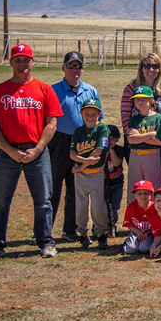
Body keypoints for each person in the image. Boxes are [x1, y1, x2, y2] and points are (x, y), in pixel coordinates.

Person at [0, 44, 63, 260]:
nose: (22, 64)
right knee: (1, 201)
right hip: (7, 153)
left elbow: (51, 123)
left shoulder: (45, 90)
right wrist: (9, 150)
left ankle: (45, 242)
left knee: (43, 201)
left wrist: (37, 149)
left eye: (26, 60)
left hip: (37, 152)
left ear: (32, 62)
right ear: (10, 63)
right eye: (17, 60)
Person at [49, 51, 102, 242]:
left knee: (75, 190)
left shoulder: (90, 91)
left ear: (83, 68)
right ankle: (44, 231)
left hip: (83, 144)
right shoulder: (53, 90)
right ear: (63, 67)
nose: (74, 70)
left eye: (78, 66)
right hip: (59, 143)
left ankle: (70, 229)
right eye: (70, 65)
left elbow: (99, 119)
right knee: (52, 189)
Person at [69, 98, 110, 250]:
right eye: (87, 113)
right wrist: (82, 163)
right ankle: (82, 234)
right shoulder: (78, 131)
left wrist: (80, 165)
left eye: (94, 113)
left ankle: (101, 234)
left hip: (96, 173)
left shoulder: (102, 128)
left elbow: (98, 153)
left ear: (99, 114)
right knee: (81, 205)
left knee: (98, 205)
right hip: (81, 174)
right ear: (81, 113)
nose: (90, 116)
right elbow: (72, 154)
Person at [125, 85, 161, 198]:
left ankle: (153, 214)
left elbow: (160, 141)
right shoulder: (133, 119)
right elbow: (130, 140)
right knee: (134, 190)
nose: (140, 102)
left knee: (153, 189)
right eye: (137, 99)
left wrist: (139, 137)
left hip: (152, 156)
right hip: (135, 156)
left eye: (143, 99)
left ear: (151, 100)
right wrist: (150, 135)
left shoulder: (159, 118)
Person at [120, 52, 161, 132]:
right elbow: (125, 116)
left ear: (160, 69)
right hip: (134, 136)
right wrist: (134, 133)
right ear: (141, 69)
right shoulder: (130, 89)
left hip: (157, 137)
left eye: (155, 66)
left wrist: (158, 134)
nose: (151, 69)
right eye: (147, 66)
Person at [122, 180, 157, 255]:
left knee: (143, 249)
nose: (143, 196)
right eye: (139, 193)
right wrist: (138, 232)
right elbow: (129, 224)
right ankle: (128, 242)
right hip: (135, 231)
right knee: (131, 250)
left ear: (151, 194)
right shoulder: (131, 207)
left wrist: (147, 233)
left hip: (150, 233)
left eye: (146, 193)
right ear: (134, 195)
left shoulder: (155, 207)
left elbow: (157, 225)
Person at [104, 125, 125, 236]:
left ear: (117, 139)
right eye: (108, 138)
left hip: (117, 183)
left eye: (113, 139)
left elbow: (117, 163)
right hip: (103, 184)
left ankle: (112, 226)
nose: (110, 141)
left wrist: (111, 150)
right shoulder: (100, 150)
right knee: (102, 206)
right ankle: (99, 228)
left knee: (114, 207)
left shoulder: (119, 149)